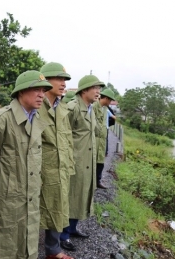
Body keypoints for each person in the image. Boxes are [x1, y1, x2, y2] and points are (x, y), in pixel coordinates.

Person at [0, 70, 53, 259]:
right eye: (36, 90)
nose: (41, 95)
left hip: (31, 197)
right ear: (21, 91)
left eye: (43, 91)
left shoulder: (38, 119)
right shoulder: (2, 120)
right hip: (7, 199)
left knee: (28, 245)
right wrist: (1, 187)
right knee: (3, 246)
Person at [38, 62, 75, 259]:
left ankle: (52, 249)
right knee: (35, 210)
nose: (63, 83)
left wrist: (69, 165)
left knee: (57, 206)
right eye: (58, 79)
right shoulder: (36, 105)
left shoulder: (62, 107)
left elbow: (67, 138)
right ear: (45, 81)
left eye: (64, 80)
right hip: (41, 168)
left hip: (60, 167)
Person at [60, 75, 101, 251]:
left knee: (81, 195)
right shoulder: (72, 108)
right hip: (74, 162)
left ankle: (73, 228)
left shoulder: (90, 108)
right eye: (95, 88)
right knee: (70, 197)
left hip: (86, 162)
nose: (98, 91)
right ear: (84, 90)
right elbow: (61, 135)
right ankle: (63, 236)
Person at [94, 88, 117, 188]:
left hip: (102, 139)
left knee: (100, 161)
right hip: (94, 139)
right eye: (110, 100)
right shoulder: (94, 106)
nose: (110, 102)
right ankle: (91, 183)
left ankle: (97, 181)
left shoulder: (105, 109)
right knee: (92, 162)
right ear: (106, 98)